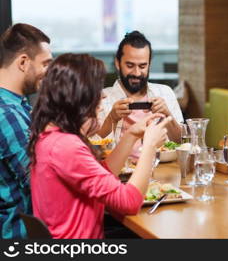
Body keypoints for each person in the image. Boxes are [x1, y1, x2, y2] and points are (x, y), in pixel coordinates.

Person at [28, 53, 171, 239]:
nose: (102, 96)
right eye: (96, 91)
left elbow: (102, 174)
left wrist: (131, 135)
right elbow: (130, 202)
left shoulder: (51, 136)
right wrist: (150, 147)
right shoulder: (65, 146)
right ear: (79, 97)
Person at [96, 31, 182, 161]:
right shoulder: (102, 98)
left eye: (142, 66)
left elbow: (182, 142)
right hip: (119, 172)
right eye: (130, 65)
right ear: (118, 63)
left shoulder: (165, 92)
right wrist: (111, 118)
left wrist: (167, 115)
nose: (136, 73)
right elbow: (92, 147)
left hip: (162, 170)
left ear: (149, 65)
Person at [0, 23, 52, 238]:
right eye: (46, 64)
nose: (48, 72)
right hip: (20, 236)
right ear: (23, 62)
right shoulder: (7, 114)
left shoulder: (18, 105)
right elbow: (41, 184)